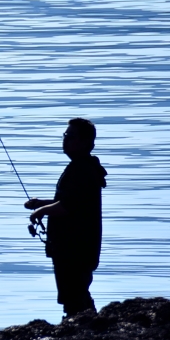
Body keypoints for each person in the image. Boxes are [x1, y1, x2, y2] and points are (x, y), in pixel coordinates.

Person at [25, 118, 107, 318]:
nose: (65, 140)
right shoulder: (80, 167)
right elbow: (67, 200)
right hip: (71, 249)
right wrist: (41, 204)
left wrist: (40, 211)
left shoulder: (83, 170)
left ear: (85, 142)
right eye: (65, 135)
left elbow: (67, 207)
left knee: (75, 296)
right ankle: (84, 327)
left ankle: (85, 331)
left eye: (70, 136)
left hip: (76, 250)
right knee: (74, 295)